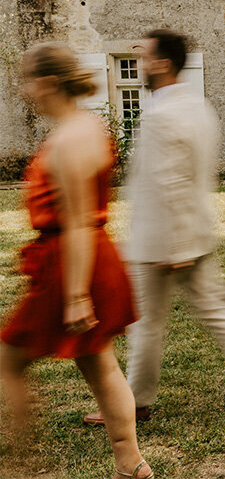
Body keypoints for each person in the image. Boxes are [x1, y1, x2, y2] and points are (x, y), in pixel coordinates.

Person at [85, 29, 225, 426]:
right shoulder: (197, 105)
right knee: (215, 310)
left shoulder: (162, 113)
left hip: (164, 240)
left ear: (161, 63)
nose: (140, 64)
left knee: (146, 322)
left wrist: (174, 249)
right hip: (194, 230)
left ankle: (136, 402)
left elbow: (169, 182)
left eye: (143, 56)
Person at [0, 43, 152, 479]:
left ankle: (20, 465)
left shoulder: (69, 137)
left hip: (72, 263)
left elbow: (80, 223)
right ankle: (131, 464)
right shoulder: (85, 126)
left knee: (9, 362)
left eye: (28, 80)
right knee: (99, 362)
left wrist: (75, 296)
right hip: (83, 256)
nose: (25, 90)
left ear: (48, 83)